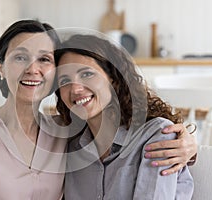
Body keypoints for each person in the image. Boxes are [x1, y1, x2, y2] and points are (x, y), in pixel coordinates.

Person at [0, 20, 196, 199]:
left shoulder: (64, 135)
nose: (32, 69)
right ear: (1, 67)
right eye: (20, 57)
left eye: (44, 60)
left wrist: (189, 144)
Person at [54, 34, 194, 199]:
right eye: (64, 81)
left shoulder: (158, 135)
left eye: (86, 74)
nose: (75, 89)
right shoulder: (71, 146)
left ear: (113, 78)